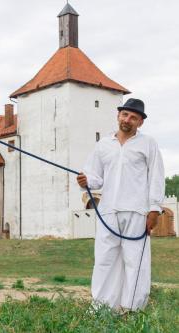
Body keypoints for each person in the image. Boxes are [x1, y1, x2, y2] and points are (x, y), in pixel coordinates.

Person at [77, 98, 165, 312]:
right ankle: (101, 308)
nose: (128, 120)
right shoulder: (103, 145)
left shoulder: (148, 144)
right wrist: (86, 180)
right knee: (105, 260)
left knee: (135, 261)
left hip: (137, 211)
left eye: (134, 117)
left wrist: (154, 209)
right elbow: (95, 176)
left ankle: (131, 309)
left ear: (140, 122)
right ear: (118, 116)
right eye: (125, 115)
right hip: (108, 211)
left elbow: (156, 177)